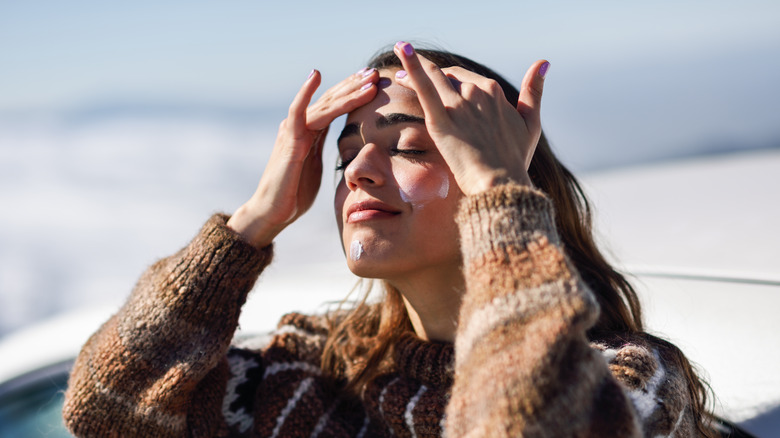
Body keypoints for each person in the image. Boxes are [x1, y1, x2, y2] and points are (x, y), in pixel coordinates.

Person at [62, 41, 714, 437]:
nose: (359, 172)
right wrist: (254, 220)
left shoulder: (630, 383)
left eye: (406, 146)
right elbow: (104, 410)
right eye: (345, 157)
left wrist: (498, 192)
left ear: (506, 185)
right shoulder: (314, 371)